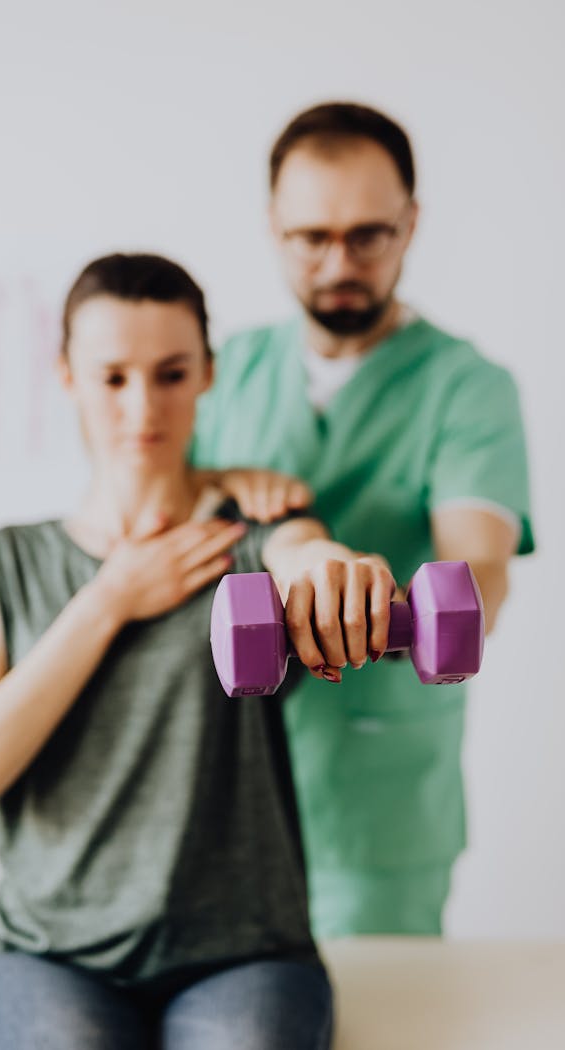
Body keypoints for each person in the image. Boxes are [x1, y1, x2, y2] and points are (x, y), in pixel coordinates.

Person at [0, 252, 397, 1049]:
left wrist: (331, 566)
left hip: (244, 953)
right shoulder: (13, 559)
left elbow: (303, 553)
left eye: (171, 373)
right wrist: (110, 600)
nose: (142, 406)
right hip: (49, 955)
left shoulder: (254, 532)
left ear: (207, 374)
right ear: (67, 375)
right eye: (112, 377)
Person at [191, 102, 534, 938]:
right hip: (214, 792)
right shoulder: (219, 371)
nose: (338, 261)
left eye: (368, 235)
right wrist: (220, 485)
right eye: (311, 237)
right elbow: (152, 517)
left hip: (378, 806)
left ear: (410, 224)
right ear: (274, 228)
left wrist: (349, 598)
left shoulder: (467, 386)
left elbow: (478, 578)